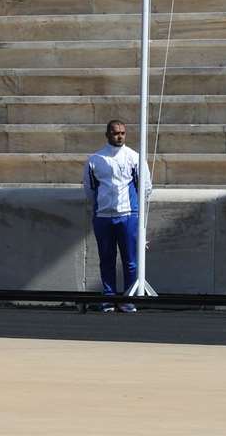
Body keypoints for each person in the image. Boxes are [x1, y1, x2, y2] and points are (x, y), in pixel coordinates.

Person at [83, 119, 152, 312]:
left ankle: (128, 299)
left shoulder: (135, 158)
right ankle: (108, 298)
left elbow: (145, 188)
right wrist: (101, 205)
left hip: (128, 215)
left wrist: (135, 209)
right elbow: (89, 189)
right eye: (115, 133)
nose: (119, 136)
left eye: (122, 133)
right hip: (103, 216)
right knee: (107, 259)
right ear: (107, 135)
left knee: (130, 260)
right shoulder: (95, 159)